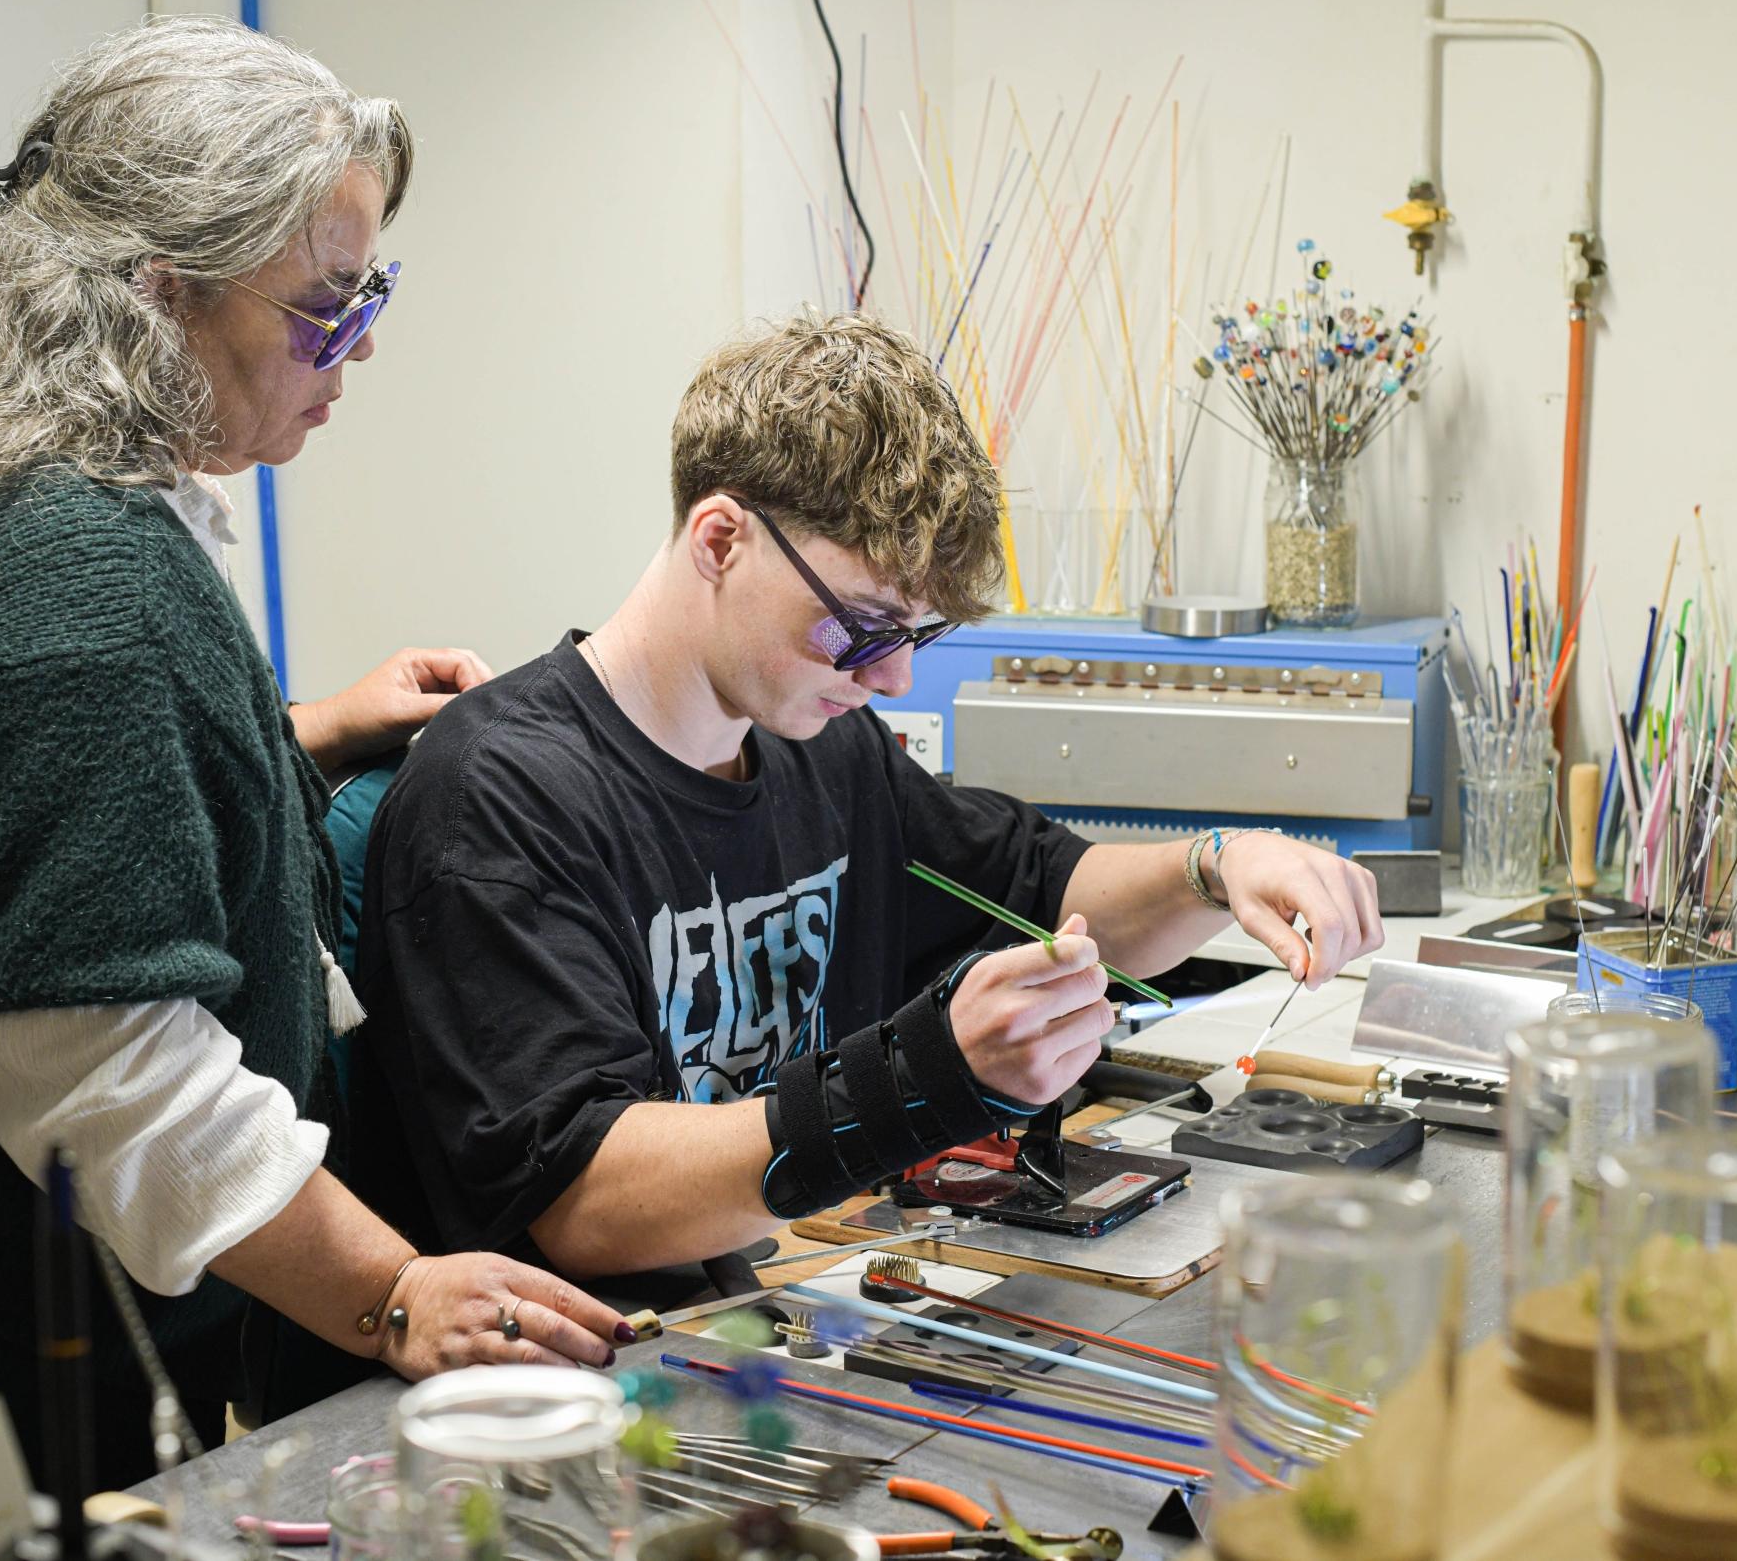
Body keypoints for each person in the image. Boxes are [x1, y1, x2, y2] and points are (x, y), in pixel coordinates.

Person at [0, 18, 628, 1491]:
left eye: (370, 288)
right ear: (160, 293)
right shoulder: (75, 588)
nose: (361, 341)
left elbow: (1, 812)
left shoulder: (24, 471)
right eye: (327, 301)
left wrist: (291, 737)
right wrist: (392, 1289)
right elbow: (107, 1076)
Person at [346, 311, 1385, 1283]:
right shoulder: (499, 797)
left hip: (746, 1312)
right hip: (543, 1396)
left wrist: (1217, 864)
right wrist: (927, 1073)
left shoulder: (820, 746)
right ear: (719, 539)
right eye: (864, 626)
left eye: (916, 637)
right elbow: (584, 1199)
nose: (891, 678)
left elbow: (1046, 888)